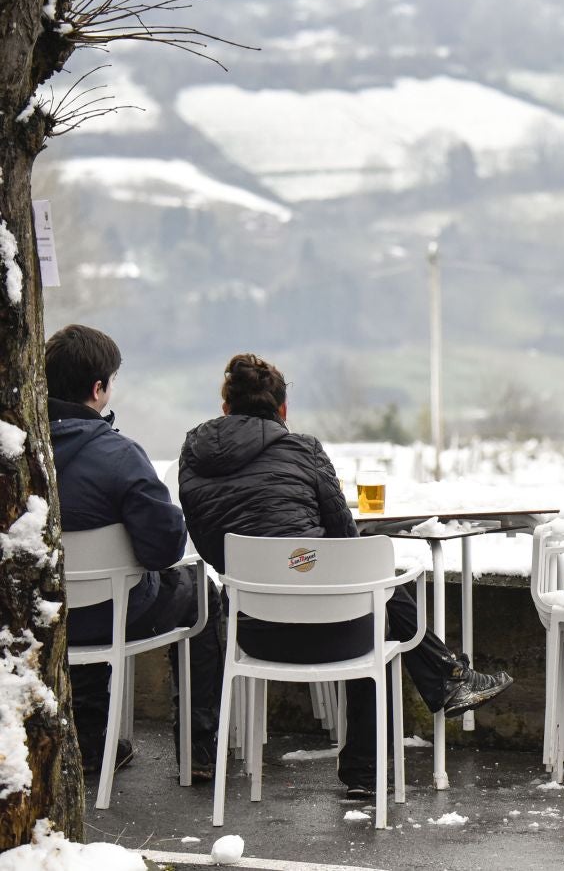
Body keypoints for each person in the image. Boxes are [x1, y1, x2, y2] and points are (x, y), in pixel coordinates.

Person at [177, 353, 512, 798]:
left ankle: (448, 678)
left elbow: (210, 545)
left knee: (369, 595)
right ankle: (374, 760)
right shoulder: (304, 450)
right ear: (282, 411)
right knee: (374, 599)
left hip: (251, 633)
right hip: (335, 634)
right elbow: (345, 539)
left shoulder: (192, 456)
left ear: (225, 409)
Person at [46, 323, 223, 778]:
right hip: (110, 614)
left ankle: (92, 742)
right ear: (98, 388)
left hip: (40, 611)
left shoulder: (18, 449)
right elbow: (165, 549)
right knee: (202, 591)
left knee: (82, 600)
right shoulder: (119, 455)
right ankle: (199, 750)